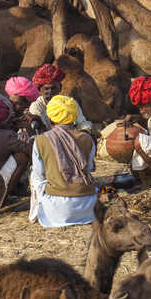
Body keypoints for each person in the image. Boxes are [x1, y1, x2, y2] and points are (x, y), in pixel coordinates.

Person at [29, 95, 98, 228]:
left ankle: (34, 215)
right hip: (88, 207)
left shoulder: (40, 140)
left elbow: (39, 176)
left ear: (50, 118)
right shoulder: (87, 138)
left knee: (33, 177)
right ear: (74, 117)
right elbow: (89, 168)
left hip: (56, 210)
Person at [28, 63, 93, 133]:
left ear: (60, 87)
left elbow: (82, 122)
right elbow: (42, 130)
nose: (50, 92)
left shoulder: (69, 102)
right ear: (39, 90)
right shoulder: (36, 106)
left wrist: (84, 133)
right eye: (46, 89)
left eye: (54, 88)